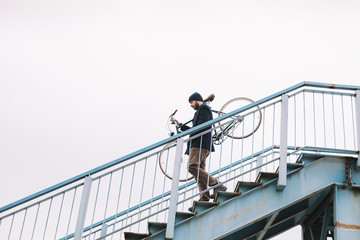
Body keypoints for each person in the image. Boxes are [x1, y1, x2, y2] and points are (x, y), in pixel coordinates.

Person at [172, 92, 227, 210]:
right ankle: (204, 197)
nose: (191, 105)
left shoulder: (204, 109)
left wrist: (189, 131)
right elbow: (195, 129)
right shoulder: (200, 111)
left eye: (191, 102)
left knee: (192, 167)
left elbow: (202, 127)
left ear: (197, 100)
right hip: (201, 144)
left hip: (200, 144)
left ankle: (217, 184)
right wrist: (181, 125)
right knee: (198, 171)